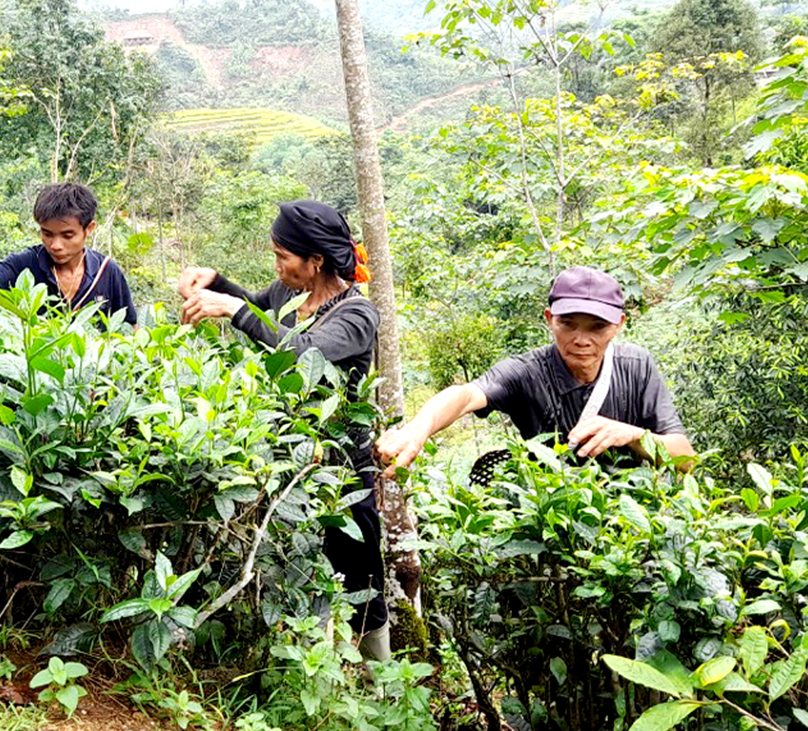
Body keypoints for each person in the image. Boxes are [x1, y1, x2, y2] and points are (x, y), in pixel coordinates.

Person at [178, 200, 390, 661]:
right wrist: (217, 284)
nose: (277, 267)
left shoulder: (356, 315)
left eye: (284, 257)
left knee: (362, 579)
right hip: (289, 463)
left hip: (342, 477)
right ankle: (302, 669)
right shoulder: (285, 294)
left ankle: (382, 683)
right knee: (293, 571)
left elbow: (302, 352)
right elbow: (259, 312)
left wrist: (232, 308)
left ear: (316, 262)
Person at [377, 266, 695, 478]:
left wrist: (633, 435)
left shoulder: (636, 367)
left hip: (630, 534)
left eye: (597, 327)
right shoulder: (528, 372)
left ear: (619, 326)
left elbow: (686, 460)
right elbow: (465, 395)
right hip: (550, 525)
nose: (581, 340)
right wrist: (416, 432)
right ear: (549, 319)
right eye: (568, 324)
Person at [0, 182, 137, 326]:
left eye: (67, 235)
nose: (55, 245)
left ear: (88, 229)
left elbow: (130, 329)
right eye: (47, 234)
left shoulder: (106, 271)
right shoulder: (27, 264)